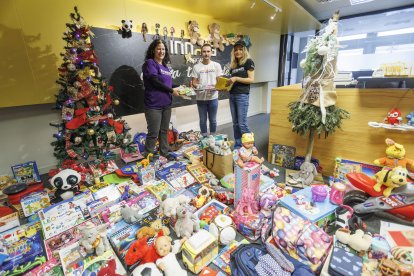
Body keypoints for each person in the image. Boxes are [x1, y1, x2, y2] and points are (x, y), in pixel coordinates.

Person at [142, 39, 180, 159]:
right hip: (153, 105)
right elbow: (155, 81)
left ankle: (164, 152)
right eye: (159, 48)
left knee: (164, 131)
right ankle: (148, 156)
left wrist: (181, 87)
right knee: (153, 133)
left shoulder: (165, 67)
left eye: (163, 49)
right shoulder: (150, 63)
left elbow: (168, 84)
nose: (161, 51)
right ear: (153, 50)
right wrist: (171, 90)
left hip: (166, 105)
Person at [226, 40, 255, 149]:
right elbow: (232, 81)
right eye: (236, 50)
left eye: (240, 49)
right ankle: (238, 146)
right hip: (232, 95)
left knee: (242, 124)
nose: (238, 51)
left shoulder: (248, 61)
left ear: (244, 50)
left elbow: (251, 79)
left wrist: (236, 78)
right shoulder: (233, 65)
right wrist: (225, 86)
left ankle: (252, 146)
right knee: (235, 124)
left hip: (242, 96)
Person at [191, 44, 222, 137]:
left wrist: (216, 87)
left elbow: (220, 82)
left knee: (213, 120)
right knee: (202, 120)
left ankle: (212, 137)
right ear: (201, 53)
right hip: (201, 98)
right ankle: (204, 138)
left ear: (211, 53)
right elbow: (194, 83)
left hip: (213, 97)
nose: (206, 53)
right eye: (204, 51)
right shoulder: (196, 67)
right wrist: (200, 86)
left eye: (208, 51)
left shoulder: (216, 65)